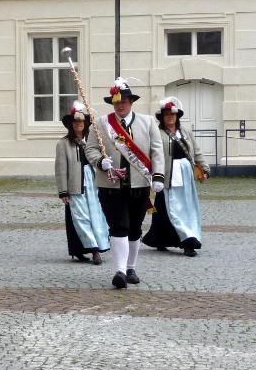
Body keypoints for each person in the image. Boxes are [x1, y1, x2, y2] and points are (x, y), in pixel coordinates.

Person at [85, 78, 165, 289]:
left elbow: (157, 151)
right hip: (110, 185)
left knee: (135, 228)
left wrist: (158, 176)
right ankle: (119, 271)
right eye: (116, 101)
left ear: (131, 102)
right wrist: (101, 162)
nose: (120, 105)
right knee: (118, 225)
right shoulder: (101, 124)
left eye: (124, 101)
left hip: (139, 184)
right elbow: (90, 149)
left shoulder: (147, 122)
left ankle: (131, 267)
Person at [142, 98, 210, 257]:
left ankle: (160, 239)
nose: (170, 117)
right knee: (171, 209)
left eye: (172, 114)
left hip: (185, 176)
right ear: (162, 118)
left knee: (184, 208)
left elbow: (197, 152)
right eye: (167, 115)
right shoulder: (157, 134)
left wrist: (205, 169)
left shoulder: (185, 132)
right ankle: (187, 242)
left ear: (177, 116)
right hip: (167, 176)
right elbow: (151, 154)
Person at [54, 101, 109, 264]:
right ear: (71, 124)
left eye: (81, 121)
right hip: (75, 185)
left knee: (97, 216)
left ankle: (97, 245)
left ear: (85, 124)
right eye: (76, 121)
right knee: (80, 218)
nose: (79, 124)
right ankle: (93, 250)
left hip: (93, 184)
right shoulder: (63, 143)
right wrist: (63, 190)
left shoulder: (94, 141)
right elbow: (61, 169)